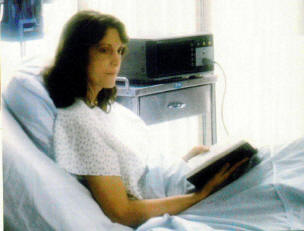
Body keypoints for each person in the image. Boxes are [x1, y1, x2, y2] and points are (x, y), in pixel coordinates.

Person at [44, 10, 247, 228]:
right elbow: (122, 212)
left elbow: (135, 171)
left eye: (120, 51)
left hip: (175, 180)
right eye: (104, 50)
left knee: (265, 162)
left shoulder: (97, 108)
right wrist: (200, 195)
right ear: (78, 54)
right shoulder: (79, 121)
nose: (116, 61)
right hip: (174, 196)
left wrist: (187, 161)